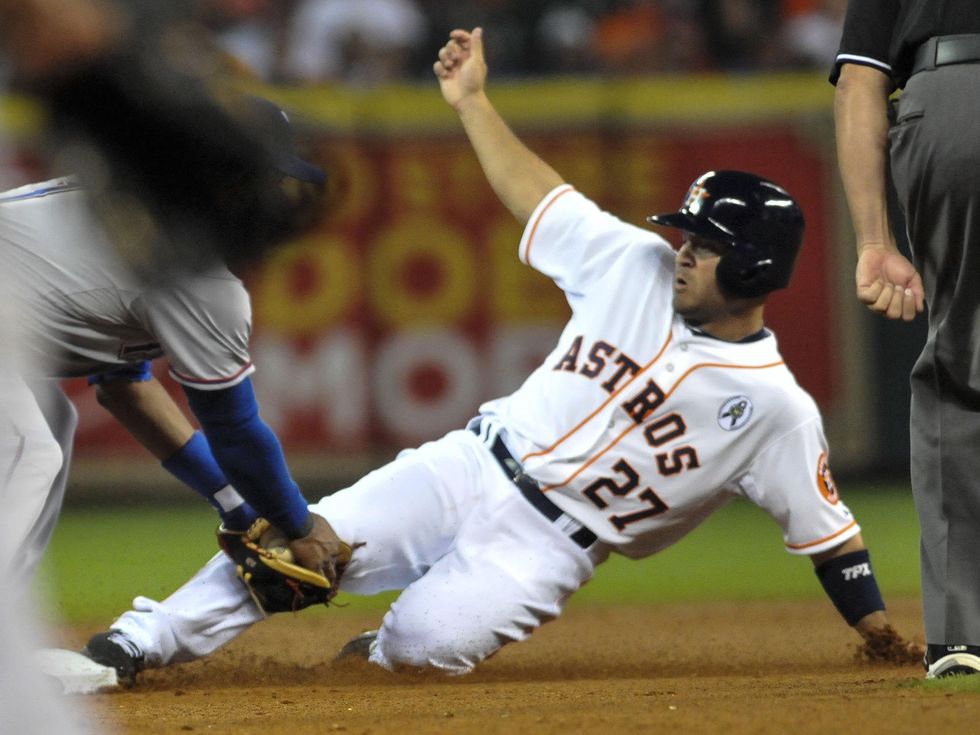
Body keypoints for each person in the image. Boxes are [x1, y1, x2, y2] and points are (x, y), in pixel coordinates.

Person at [76, 27, 921, 684]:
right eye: (686, 233)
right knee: (296, 547)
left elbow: (829, 537)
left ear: (758, 265)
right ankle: (134, 640)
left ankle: (386, 646)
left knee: (418, 649)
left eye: (706, 240)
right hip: (471, 464)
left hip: (551, 547)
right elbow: (538, 192)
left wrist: (877, 632)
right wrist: (471, 101)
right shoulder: (635, 261)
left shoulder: (777, 407)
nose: (684, 248)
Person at [0, 98, 348, 599]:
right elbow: (236, 432)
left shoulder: (143, 218)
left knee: (51, 422)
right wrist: (297, 522)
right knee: (27, 452)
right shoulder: (194, 274)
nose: (272, 197)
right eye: (260, 178)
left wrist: (236, 503)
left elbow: (126, 389)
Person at [830, 4, 980, 679]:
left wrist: (873, 241)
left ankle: (962, 636)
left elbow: (861, 79)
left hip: (952, 98)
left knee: (959, 371)